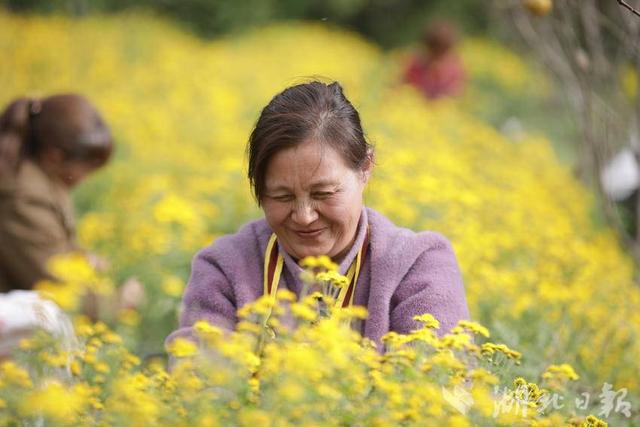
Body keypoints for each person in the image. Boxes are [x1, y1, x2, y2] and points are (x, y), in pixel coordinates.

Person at [167, 81, 469, 349]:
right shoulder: (224, 267)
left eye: (323, 194)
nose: (304, 216)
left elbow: (437, 388)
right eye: (281, 196)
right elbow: (202, 388)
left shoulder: (418, 264)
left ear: (365, 170)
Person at [0, 94, 113, 293]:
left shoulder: (36, 174)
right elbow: (53, 284)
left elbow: (50, 246)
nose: (85, 179)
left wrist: (82, 260)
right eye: (86, 169)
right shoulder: (24, 197)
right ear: (55, 157)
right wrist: (118, 302)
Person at [403, 21, 466, 100]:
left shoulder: (454, 69)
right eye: (435, 51)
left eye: (442, 52)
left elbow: (457, 95)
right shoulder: (415, 66)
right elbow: (403, 89)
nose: (438, 58)